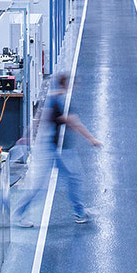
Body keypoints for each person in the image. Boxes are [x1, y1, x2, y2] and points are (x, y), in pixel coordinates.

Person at [15, 72, 101, 226]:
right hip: (54, 149)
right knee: (51, 182)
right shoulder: (61, 100)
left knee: (73, 178)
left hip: (57, 147)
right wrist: (91, 139)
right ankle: (19, 214)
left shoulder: (54, 97)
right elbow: (74, 122)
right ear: (66, 84)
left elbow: (40, 117)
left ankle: (80, 211)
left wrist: (27, 135)